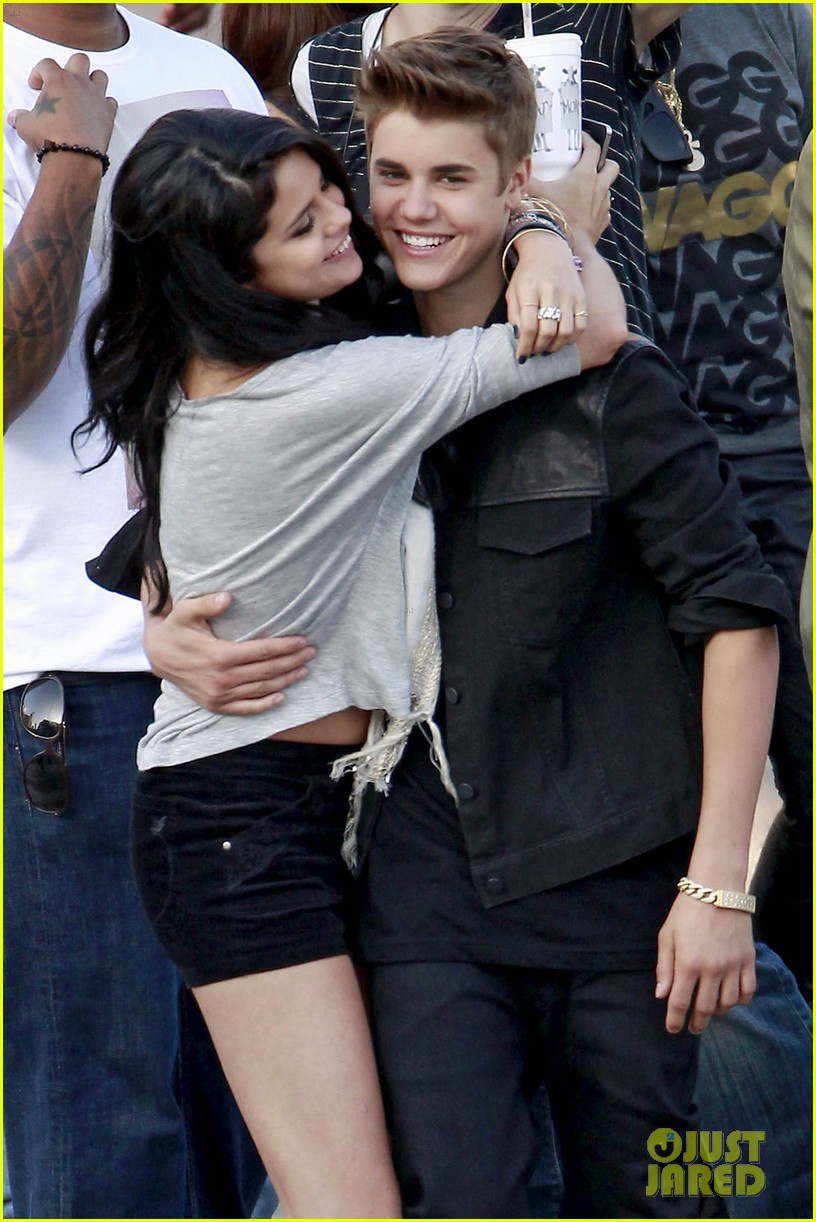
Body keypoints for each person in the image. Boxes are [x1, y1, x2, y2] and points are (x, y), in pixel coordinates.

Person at [77, 102, 626, 1218]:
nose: (345, 219)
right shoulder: (327, 391)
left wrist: (160, 623)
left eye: (330, 189)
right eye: (303, 224)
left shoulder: (210, 365)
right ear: (231, 275)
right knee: (347, 1204)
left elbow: (162, 548)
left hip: (338, 801)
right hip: (239, 828)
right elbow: (596, 332)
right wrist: (549, 224)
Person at [346, 30, 787, 1217]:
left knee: (665, 1196)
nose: (415, 208)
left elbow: (737, 616)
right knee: (459, 1197)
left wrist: (718, 888)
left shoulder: (615, 381)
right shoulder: (345, 373)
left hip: (625, 891)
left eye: (452, 178)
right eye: (393, 174)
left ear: (512, 189)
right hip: (427, 895)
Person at [2, 6, 278, 1217]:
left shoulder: (205, 73)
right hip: (74, 673)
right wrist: (74, 162)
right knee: (104, 1124)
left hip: (250, 662)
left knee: (258, 1126)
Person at [640, 1, 812, 1005]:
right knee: (671, 823)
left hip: (790, 453)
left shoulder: (774, 18)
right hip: (651, 480)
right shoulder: (543, 33)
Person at [290, 1, 689, 336]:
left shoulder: (582, 16)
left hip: (597, 371)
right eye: (394, 174)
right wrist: (557, 225)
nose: (417, 206)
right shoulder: (325, 65)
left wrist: (551, 235)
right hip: (415, 384)